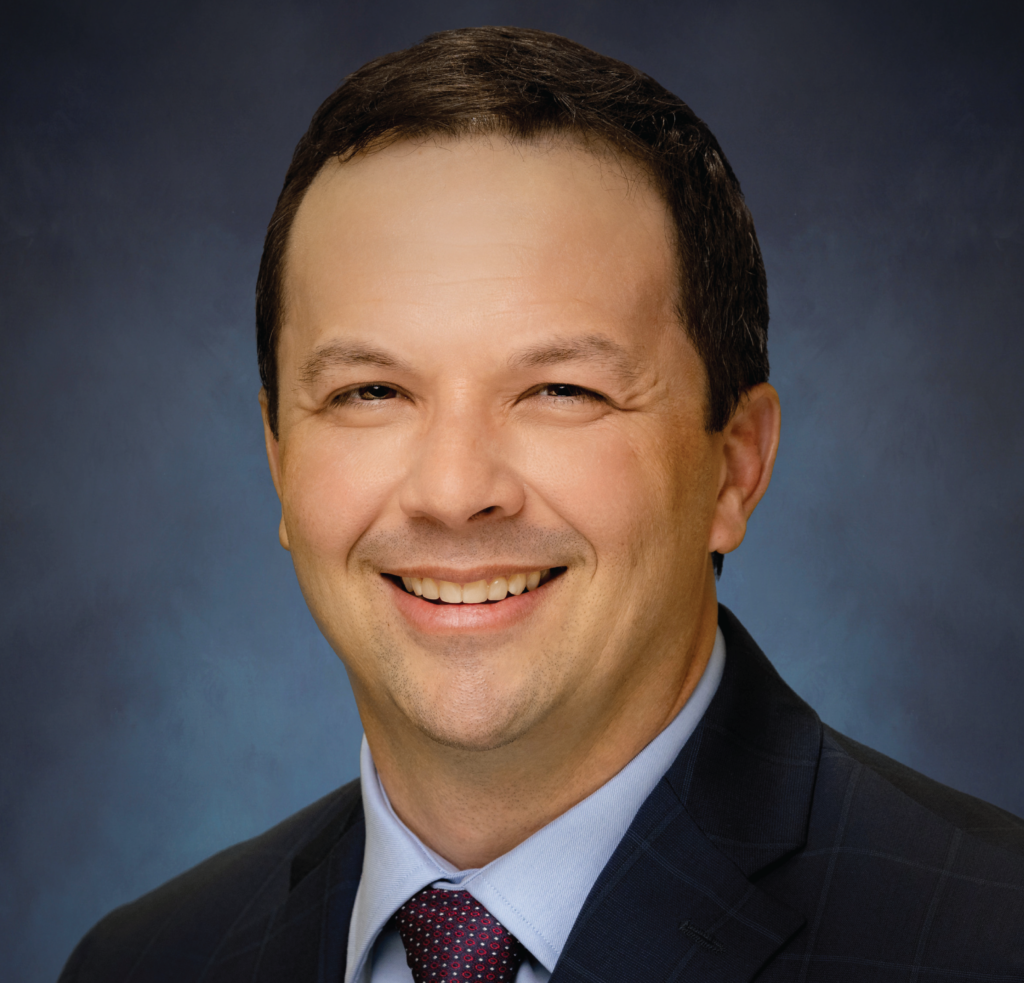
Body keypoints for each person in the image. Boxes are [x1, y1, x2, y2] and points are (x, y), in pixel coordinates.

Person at [59, 26, 1024, 983]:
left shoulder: (986, 935)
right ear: (279, 457)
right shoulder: (145, 959)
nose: (454, 492)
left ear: (734, 468)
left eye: (562, 391)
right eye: (370, 392)